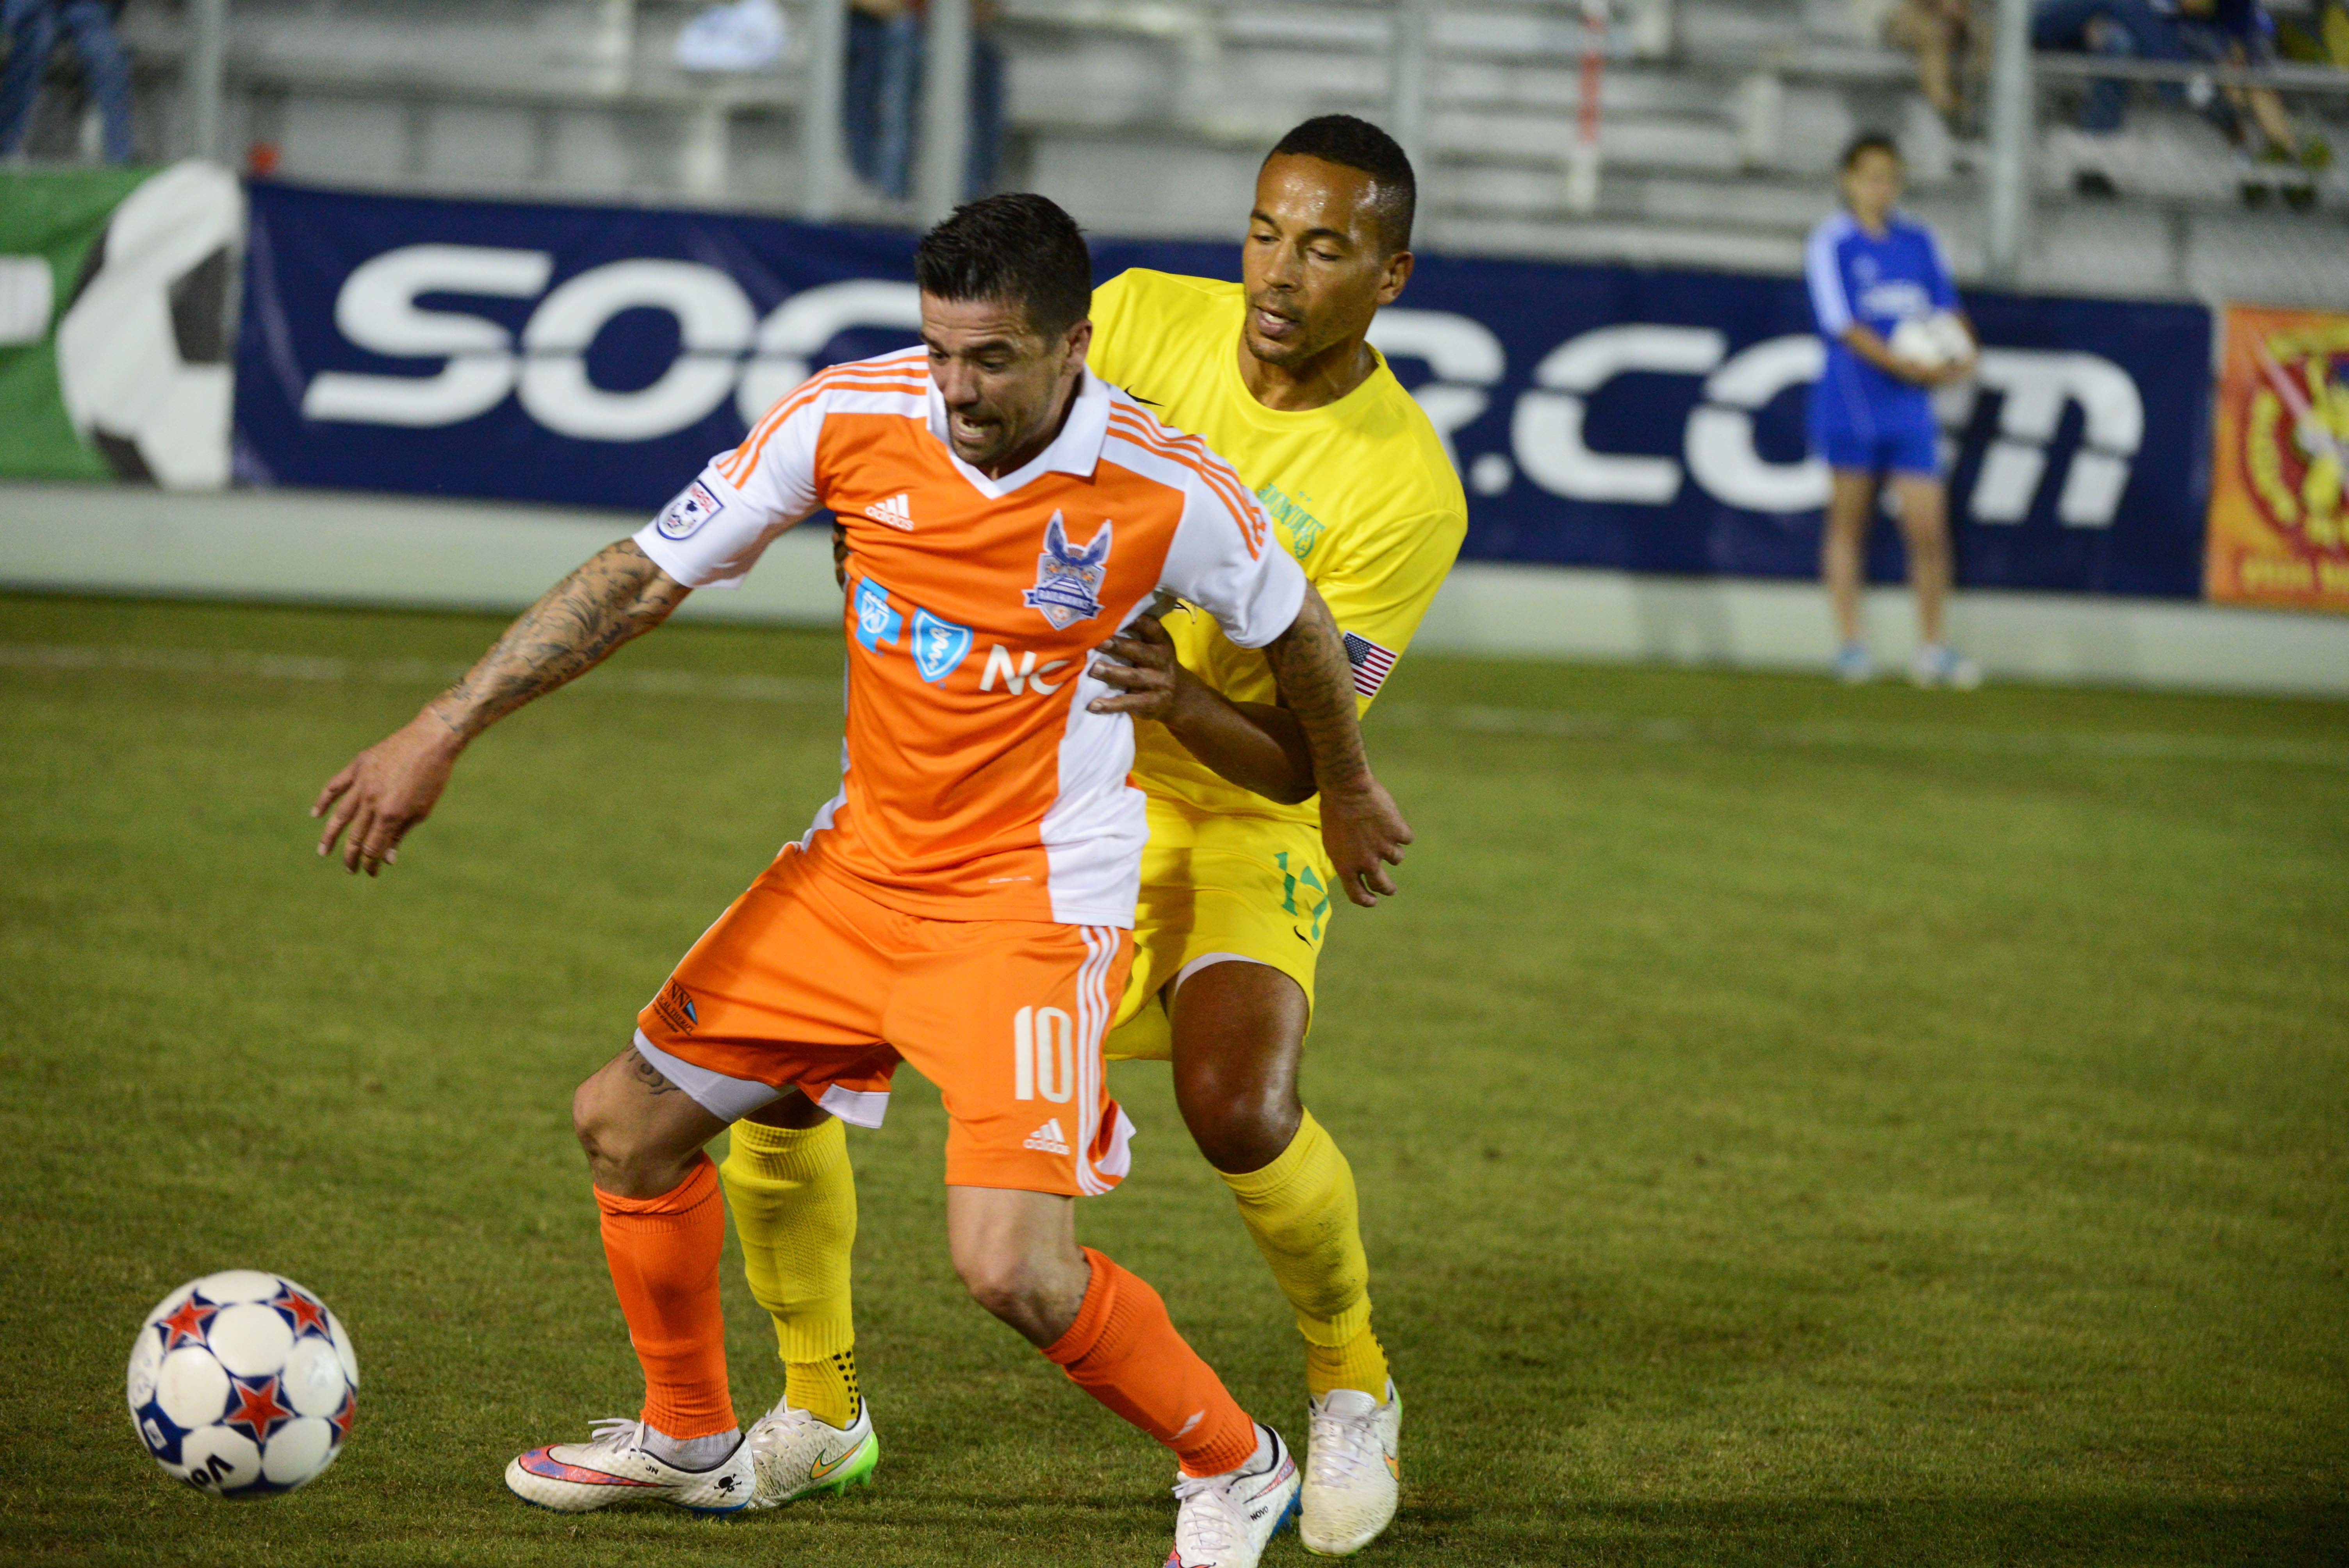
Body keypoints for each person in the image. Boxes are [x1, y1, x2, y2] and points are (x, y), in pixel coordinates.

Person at [310, 192, 1412, 1568]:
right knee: (624, 1123)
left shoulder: (1165, 485)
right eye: (939, 350)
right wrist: (441, 726)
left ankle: (1233, 1460)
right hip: (851, 873)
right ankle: (692, 1433)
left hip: (1025, 904)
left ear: (1074, 346)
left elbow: (1295, 622)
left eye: (992, 360)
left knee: (1010, 1267)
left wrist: (1349, 783)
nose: (956, 389)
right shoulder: (846, 416)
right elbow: (646, 574)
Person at [728, 113, 1464, 1558]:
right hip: (1036, 798)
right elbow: (972, 461)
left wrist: (1182, 694)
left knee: (1235, 1104)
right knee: (778, 1075)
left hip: (1240, 807)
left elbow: (1307, 764)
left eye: (1322, 249)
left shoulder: (1402, 489)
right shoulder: (1127, 317)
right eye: (1263, 232)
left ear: (1387, 277)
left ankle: (1347, 1380)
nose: (1276, 272)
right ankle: (820, 1412)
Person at [1804, 132, 1981, 688]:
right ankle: (1852, 647)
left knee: (1928, 527)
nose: (1882, 187)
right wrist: (1903, 363)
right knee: (1848, 524)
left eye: (1890, 177)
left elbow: (1950, 312)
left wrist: (1960, 357)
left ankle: (1933, 649)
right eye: (1871, 176)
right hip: (1853, 399)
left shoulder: (1918, 242)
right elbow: (1842, 324)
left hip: (1909, 407)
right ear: (1848, 180)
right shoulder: (1832, 242)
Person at [843, 0, 1004, 201]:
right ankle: (888, 190)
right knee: (896, 42)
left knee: (982, 58)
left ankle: (965, 194)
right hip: (880, 23)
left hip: (950, 26)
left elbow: (985, 10)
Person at [0, 0, 134, 164]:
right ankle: (6, 149)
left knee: (107, 56)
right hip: (31, 7)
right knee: (35, 42)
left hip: (80, 6)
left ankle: (121, 155)